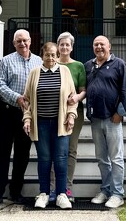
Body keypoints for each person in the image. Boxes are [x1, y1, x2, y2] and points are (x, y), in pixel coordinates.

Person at [0, 29, 42, 207]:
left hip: (27, 114)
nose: (22, 44)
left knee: (22, 154)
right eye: (18, 41)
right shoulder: (6, 60)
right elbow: (0, 84)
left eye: (25, 40)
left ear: (30, 41)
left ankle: (16, 192)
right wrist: (17, 98)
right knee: (2, 153)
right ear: (14, 44)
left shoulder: (38, 61)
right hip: (8, 111)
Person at [22, 42, 77, 209]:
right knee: (44, 160)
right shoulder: (34, 73)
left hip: (61, 123)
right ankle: (44, 194)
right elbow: (27, 100)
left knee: (61, 160)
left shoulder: (65, 71)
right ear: (42, 56)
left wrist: (72, 115)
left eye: (54, 55)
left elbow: (72, 98)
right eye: (48, 55)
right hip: (41, 124)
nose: (51, 58)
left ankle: (61, 194)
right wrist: (27, 119)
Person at [84, 35, 126, 209]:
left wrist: (120, 112)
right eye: (96, 44)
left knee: (116, 158)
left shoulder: (119, 64)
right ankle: (106, 190)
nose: (99, 47)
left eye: (102, 44)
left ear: (109, 46)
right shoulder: (88, 65)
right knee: (102, 158)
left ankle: (118, 194)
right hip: (95, 118)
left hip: (113, 118)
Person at [54, 32, 86, 200]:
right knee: (55, 150)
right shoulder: (52, 63)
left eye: (68, 45)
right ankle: (54, 188)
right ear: (58, 46)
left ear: (72, 47)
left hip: (75, 112)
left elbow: (83, 90)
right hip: (53, 112)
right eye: (62, 44)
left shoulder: (78, 66)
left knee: (70, 150)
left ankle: (67, 188)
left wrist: (78, 97)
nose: (64, 47)